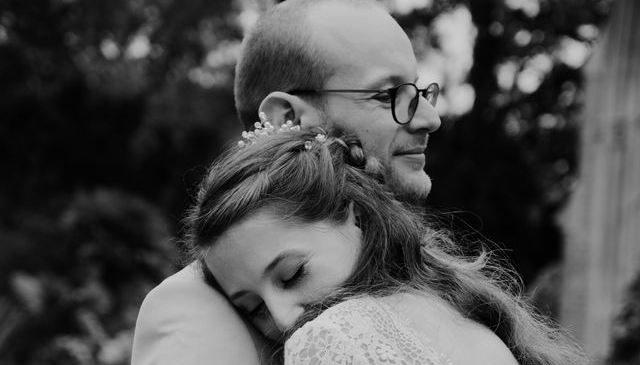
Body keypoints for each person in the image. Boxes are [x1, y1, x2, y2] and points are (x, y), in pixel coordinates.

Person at [132, 0, 442, 364]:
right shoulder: (194, 307)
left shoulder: (426, 271)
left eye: (417, 90)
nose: (429, 118)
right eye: (388, 94)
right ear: (286, 119)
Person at [185, 126, 586, 365]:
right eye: (253, 309)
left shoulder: (333, 336)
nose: (283, 318)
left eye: (293, 275)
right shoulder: (458, 308)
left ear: (354, 215)